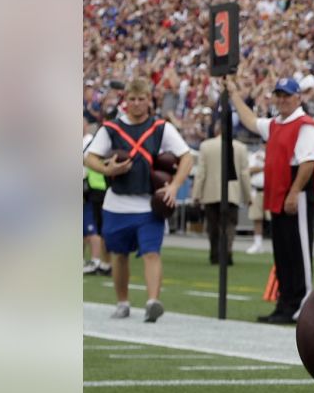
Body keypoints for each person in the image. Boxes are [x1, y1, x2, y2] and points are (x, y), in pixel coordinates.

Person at [83, 78, 193, 322]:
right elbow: (89, 157)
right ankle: (123, 302)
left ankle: (153, 302)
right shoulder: (111, 128)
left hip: (148, 203)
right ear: (125, 102)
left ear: (149, 100)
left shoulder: (161, 128)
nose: (136, 104)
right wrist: (107, 170)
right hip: (117, 203)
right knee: (119, 255)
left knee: (151, 252)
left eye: (141, 99)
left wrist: (174, 187)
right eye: (132, 99)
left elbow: (186, 157)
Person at [227, 76, 314, 324]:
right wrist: (233, 94)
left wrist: (294, 192)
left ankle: (302, 304)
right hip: (279, 193)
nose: (282, 100)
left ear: (298, 97)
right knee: (283, 253)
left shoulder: (306, 125)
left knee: (299, 252)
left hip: (296, 193)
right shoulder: (275, 124)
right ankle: (286, 304)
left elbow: (308, 162)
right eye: (279, 96)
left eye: (287, 96)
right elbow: (250, 121)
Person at [192, 125, 251, 266]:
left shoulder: (206, 146)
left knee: (213, 226)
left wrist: (196, 194)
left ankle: (214, 254)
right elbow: (244, 174)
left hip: (211, 193)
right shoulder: (240, 147)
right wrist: (247, 196)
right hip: (232, 193)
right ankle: (227, 253)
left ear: (216, 131)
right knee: (229, 225)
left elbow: (201, 173)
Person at [82, 119, 112, 276]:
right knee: (86, 227)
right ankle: (99, 261)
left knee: (94, 227)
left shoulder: (90, 142)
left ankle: (98, 261)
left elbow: (88, 161)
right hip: (91, 188)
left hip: (96, 188)